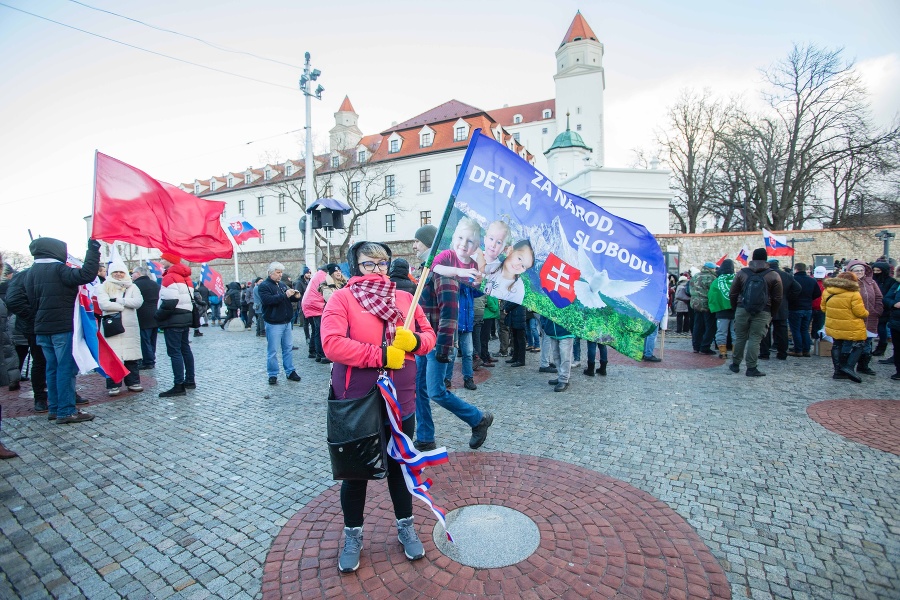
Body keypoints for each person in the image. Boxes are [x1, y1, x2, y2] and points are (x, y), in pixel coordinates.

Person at [320, 241, 436, 573]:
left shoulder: (406, 299)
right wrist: (381, 355)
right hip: (357, 401)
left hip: (402, 400)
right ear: (355, 266)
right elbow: (332, 344)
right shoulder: (342, 298)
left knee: (400, 469)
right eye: (369, 263)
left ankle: (406, 526)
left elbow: (428, 335)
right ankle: (353, 535)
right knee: (355, 474)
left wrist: (414, 341)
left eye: (382, 263)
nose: (377, 269)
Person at [411, 225, 494, 453]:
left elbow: (450, 312)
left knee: (436, 391)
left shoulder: (444, 271)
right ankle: (425, 437)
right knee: (420, 389)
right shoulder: (429, 269)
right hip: (423, 341)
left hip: (437, 341)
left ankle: (478, 419)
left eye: (417, 241)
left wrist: (444, 347)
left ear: (429, 243)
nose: (414, 245)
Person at [5, 238, 100, 423]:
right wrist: (93, 249)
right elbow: (87, 274)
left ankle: (55, 408)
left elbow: (18, 299)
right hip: (61, 327)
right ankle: (66, 410)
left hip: (41, 328)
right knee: (65, 368)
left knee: (52, 368)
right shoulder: (58, 270)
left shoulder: (30, 273)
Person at [727, 248, 783, 377]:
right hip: (763, 310)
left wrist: (736, 307)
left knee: (740, 337)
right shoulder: (773, 275)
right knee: (755, 339)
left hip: (742, 308)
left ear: (752, 258)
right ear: (766, 259)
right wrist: (772, 313)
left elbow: (733, 293)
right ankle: (751, 368)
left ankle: (735, 364)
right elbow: (777, 298)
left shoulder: (742, 273)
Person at [96, 260, 144, 395]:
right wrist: (123, 307)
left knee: (131, 357)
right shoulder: (104, 286)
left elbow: (138, 302)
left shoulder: (132, 287)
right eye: (115, 272)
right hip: (112, 325)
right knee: (113, 357)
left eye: (121, 272)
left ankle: (133, 382)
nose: (118, 274)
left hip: (130, 326)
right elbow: (104, 304)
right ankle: (113, 384)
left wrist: (119, 301)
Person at [5, 268, 49, 413]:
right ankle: (40, 397)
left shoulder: (57, 271)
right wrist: (35, 317)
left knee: (63, 362)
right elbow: (13, 300)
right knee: (40, 361)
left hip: (57, 324)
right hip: (34, 327)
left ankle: (66, 393)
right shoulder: (24, 275)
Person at [155, 252, 195, 397]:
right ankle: (190, 380)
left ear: (169, 260)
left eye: (162, 258)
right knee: (185, 349)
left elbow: (170, 301)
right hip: (185, 316)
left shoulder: (170, 277)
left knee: (175, 352)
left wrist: (158, 316)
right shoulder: (185, 277)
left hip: (173, 318)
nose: (160, 260)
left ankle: (178, 385)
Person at [257, 262, 303, 385]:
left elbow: (288, 298)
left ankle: (290, 371)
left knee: (288, 348)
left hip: (286, 321)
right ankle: (273, 373)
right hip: (274, 322)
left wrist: (296, 296)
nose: (280, 275)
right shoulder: (264, 286)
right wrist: (285, 295)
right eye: (278, 272)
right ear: (270, 273)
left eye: (281, 272)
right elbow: (268, 301)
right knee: (273, 350)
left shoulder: (282, 285)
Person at [822, 272, 869, 382]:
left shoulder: (827, 291)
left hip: (833, 324)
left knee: (837, 345)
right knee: (859, 344)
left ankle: (838, 371)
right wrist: (867, 313)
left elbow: (823, 308)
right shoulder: (854, 294)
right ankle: (848, 367)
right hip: (851, 325)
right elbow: (860, 312)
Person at [844, 260, 883, 376]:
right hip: (853, 317)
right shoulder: (847, 283)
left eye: (862, 270)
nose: (860, 272)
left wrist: (877, 310)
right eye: (857, 270)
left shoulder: (871, 283)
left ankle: (863, 365)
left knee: (867, 343)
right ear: (851, 272)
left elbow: (879, 297)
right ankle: (847, 366)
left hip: (870, 317)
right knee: (851, 343)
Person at [302, 263, 345, 364]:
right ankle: (321, 355)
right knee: (320, 330)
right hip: (316, 306)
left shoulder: (317, 275)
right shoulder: (324, 277)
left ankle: (313, 352)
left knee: (315, 330)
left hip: (309, 304)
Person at [759, 259, 799, 360]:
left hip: (766, 306)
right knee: (782, 331)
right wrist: (787, 298)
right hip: (781, 305)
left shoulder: (763, 275)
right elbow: (797, 288)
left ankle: (764, 353)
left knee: (765, 330)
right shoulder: (787, 275)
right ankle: (782, 353)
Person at [786, 263, 821, 358]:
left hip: (795, 307)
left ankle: (798, 350)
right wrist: (809, 298)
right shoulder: (812, 280)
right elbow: (818, 293)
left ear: (796, 269)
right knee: (804, 330)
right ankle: (806, 350)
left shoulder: (792, 280)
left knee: (796, 330)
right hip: (808, 308)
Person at [131, 266, 159, 370]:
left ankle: (148, 361)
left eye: (133, 273)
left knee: (144, 339)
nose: (132, 275)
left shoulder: (135, 285)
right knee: (152, 339)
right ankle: (151, 358)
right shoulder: (155, 284)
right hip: (155, 314)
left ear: (138, 273)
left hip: (142, 315)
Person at [708, 260, 736, 359]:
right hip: (736, 311)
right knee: (735, 332)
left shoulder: (717, 281)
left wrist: (714, 307)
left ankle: (723, 353)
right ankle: (735, 353)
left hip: (721, 311)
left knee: (721, 332)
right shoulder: (737, 278)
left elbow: (712, 296)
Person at [689, 262, 717, 355]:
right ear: (711, 269)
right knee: (710, 326)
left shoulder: (696, 276)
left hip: (696, 304)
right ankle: (705, 347)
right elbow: (714, 292)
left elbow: (690, 289)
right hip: (707, 305)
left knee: (697, 325)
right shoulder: (712, 278)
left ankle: (696, 346)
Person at [540, 315, 573, 391]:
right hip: (552, 331)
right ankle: (560, 376)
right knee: (556, 356)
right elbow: (543, 311)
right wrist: (545, 325)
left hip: (566, 331)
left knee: (565, 357)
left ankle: (564, 379)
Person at [871, 261, 896, 357]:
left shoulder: (890, 281)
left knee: (881, 327)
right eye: (875, 270)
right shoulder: (872, 279)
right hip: (873, 306)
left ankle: (881, 346)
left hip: (884, 307)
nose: (876, 272)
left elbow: (889, 295)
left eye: (878, 270)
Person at [882, 276, 900, 380]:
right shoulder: (897, 285)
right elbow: (887, 298)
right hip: (896, 321)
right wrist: (894, 304)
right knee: (898, 348)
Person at [810, 266, 828, 343]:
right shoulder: (811, 280)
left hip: (820, 308)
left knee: (819, 325)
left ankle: (817, 341)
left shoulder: (828, 283)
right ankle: (814, 340)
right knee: (814, 325)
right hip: (813, 307)